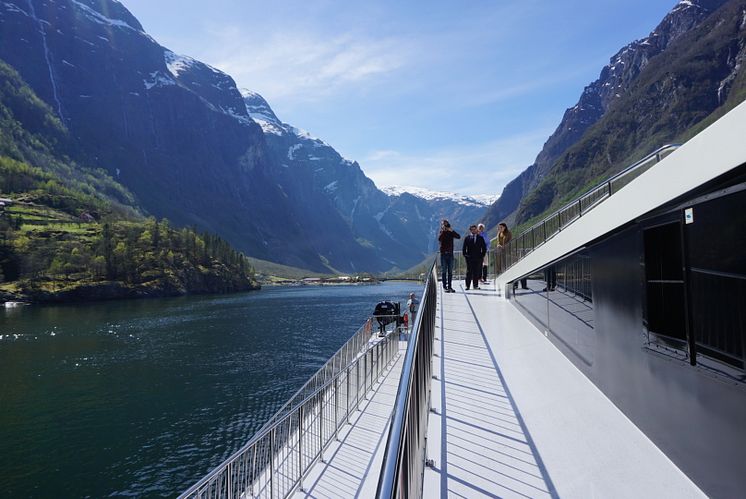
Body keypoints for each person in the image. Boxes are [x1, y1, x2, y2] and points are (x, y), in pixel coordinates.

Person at [438, 220, 460, 293]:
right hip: (443, 254)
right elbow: (439, 239)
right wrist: (443, 231)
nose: (445, 226)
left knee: (450, 271)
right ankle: (445, 287)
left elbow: (458, 236)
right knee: (444, 271)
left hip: (450, 254)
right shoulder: (441, 232)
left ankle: (450, 286)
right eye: (443, 225)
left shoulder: (451, 232)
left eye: (446, 225)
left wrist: (452, 230)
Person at [462, 224, 486, 290]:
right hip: (469, 258)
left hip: (478, 258)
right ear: (470, 230)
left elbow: (484, 247)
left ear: (476, 230)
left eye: (474, 229)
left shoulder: (480, 238)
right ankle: (467, 286)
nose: (473, 230)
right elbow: (464, 248)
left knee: (476, 272)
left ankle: (475, 285)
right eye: (472, 229)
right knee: (469, 272)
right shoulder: (467, 238)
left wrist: (482, 255)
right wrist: (465, 255)